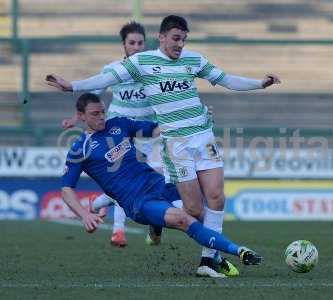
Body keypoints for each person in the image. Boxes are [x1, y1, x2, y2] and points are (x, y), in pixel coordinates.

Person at [46, 15, 280, 278]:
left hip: (203, 136)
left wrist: (259, 84)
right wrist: (72, 86)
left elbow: (226, 79)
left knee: (216, 196)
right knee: (192, 209)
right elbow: (105, 79)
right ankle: (154, 224)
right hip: (176, 143)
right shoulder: (142, 63)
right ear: (162, 37)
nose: (180, 44)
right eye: (176, 39)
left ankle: (209, 260)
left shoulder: (193, 59)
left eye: (184, 39)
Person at [62, 93, 262, 278]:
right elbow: (66, 189)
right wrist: (84, 215)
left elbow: (157, 128)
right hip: (138, 202)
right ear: (80, 116)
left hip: (158, 184)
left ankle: (211, 259)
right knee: (184, 220)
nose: (101, 117)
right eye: (94, 114)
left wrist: (194, 118)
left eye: (103, 112)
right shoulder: (80, 149)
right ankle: (239, 251)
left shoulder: (119, 124)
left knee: (203, 210)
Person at [62, 21, 162, 248]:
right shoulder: (113, 70)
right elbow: (91, 94)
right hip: (116, 131)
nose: (136, 47)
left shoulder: (151, 71)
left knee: (138, 178)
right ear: (124, 45)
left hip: (143, 131)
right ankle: (118, 231)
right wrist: (75, 118)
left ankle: (97, 204)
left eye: (140, 43)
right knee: (123, 180)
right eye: (131, 43)